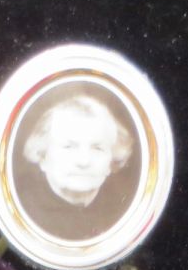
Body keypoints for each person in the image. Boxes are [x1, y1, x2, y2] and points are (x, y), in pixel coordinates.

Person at [16, 91, 135, 242]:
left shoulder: (127, 213)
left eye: (97, 148)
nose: (83, 161)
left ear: (111, 161)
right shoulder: (21, 213)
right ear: (43, 157)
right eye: (69, 147)